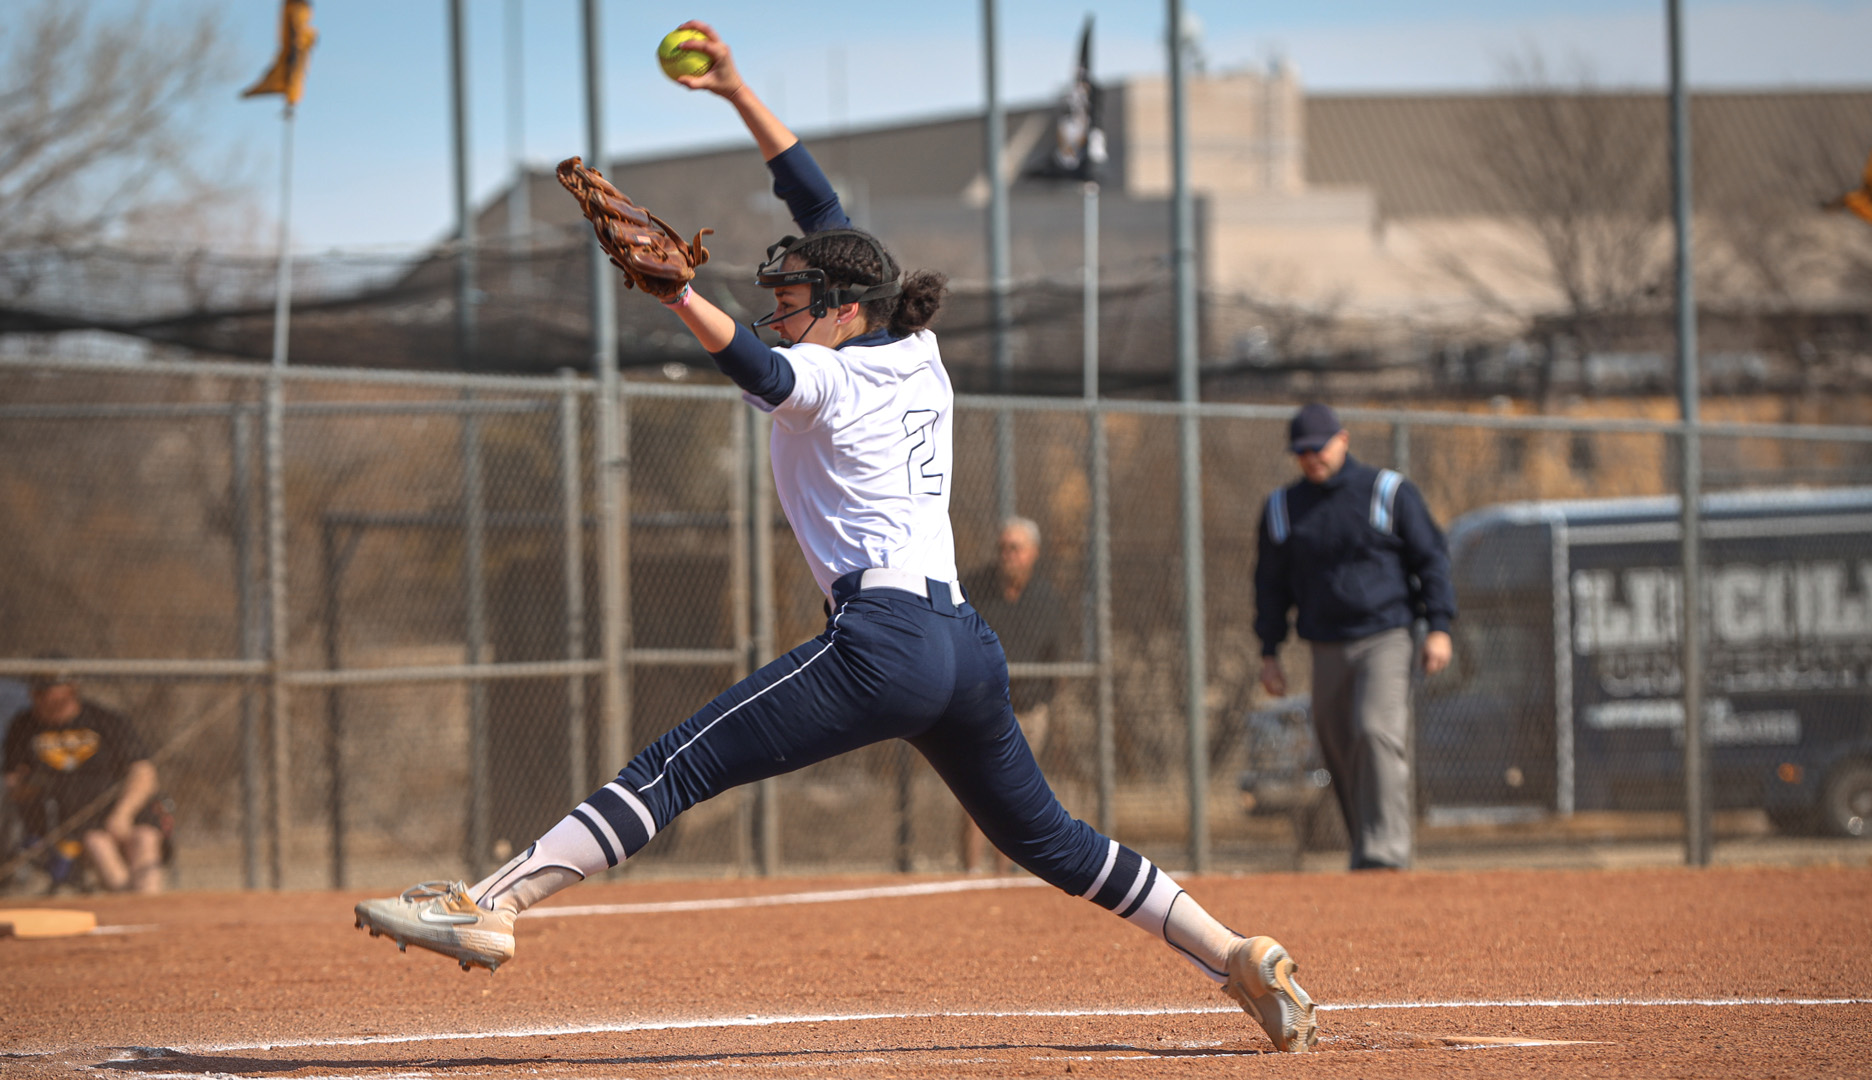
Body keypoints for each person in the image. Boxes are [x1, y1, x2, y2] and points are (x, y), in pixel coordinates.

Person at [354, 22, 1315, 1054]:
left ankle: (492, 903)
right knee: (1052, 839)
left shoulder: (829, 377)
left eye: (792, 297)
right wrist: (738, 92)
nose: (778, 308)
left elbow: (761, 370)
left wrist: (680, 295)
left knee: (676, 766)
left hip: (884, 641)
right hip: (964, 646)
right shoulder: (916, 346)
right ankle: (1233, 953)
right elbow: (820, 207)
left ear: (847, 309)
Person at [1252, 403, 1455, 872]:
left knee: (1374, 730)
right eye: (1301, 451)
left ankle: (1385, 855)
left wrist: (1439, 627)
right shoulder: (1283, 508)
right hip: (1325, 643)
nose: (1311, 458)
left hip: (1386, 635)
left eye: (1319, 448)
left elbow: (1432, 559)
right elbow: (1270, 585)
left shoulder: (1387, 491)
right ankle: (1366, 845)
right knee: (1337, 745)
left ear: (1343, 440)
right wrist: (1269, 651)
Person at [957, 516, 1070, 872]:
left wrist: (1049, 703)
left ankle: (1003, 878)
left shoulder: (1046, 599)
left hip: (1030, 710)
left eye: (1015, 548)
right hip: (982, 708)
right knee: (976, 792)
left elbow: (1058, 657)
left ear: (1033, 553)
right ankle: (971, 874)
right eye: (1003, 548)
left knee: (1015, 794)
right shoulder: (975, 590)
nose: (1007, 555)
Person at [2, 662, 170, 893]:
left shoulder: (105, 720)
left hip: (120, 810)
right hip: (69, 821)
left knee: (145, 837)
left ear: (71, 688)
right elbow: (13, 785)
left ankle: (147, 904)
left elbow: (144, 772)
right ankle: (129, 901)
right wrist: (32, 784)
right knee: (97, 842)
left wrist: (123, 814)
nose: (38, 696)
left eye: (46, 689)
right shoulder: (23, 727)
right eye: (36, 690)